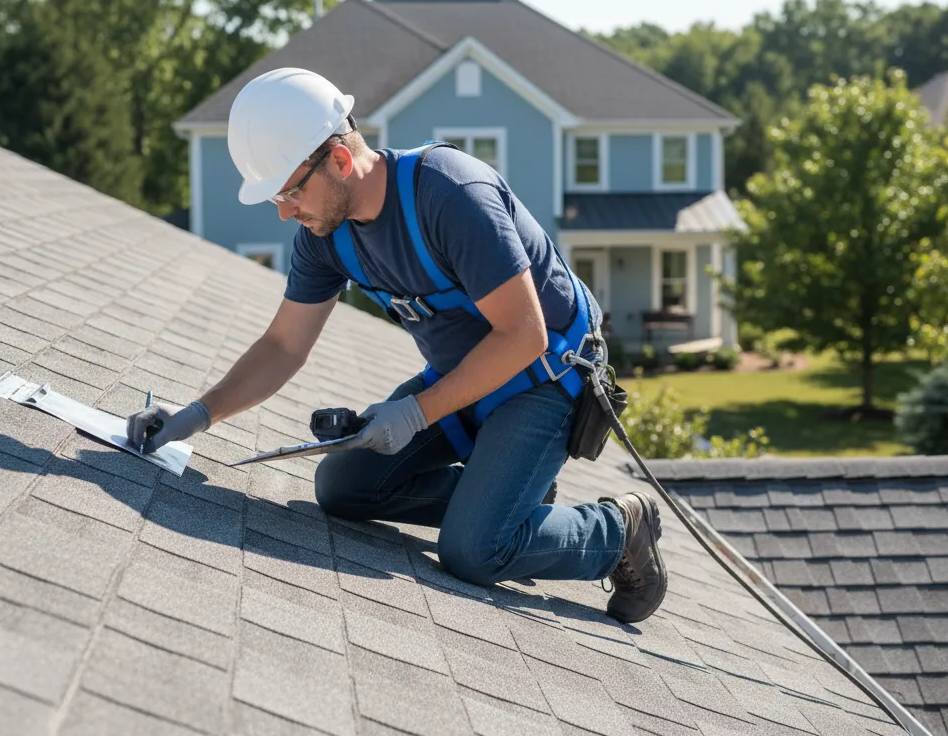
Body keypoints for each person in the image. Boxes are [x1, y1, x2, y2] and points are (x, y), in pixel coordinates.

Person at [127, 67, 667, 623]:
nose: (286, 210)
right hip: (467, 377)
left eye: (289, 190)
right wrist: (196, 415)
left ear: (338, 158)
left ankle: (619, 531)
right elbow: (284, 344)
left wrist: (415, 411)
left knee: (474, 551)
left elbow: (524, 335)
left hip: (546, 377)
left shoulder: (451, 194)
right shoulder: (326, 236)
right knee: (342, 487)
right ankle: (504, 501)